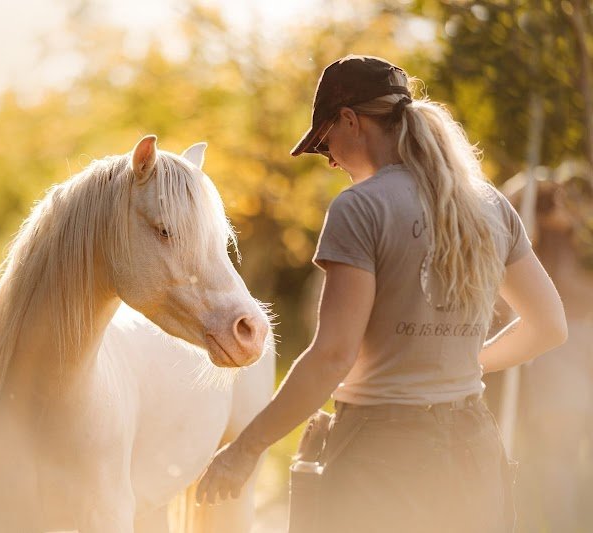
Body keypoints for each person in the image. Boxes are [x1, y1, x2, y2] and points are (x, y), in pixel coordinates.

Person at [195, 55, 568, 532]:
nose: (329, 158)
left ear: (351, 120)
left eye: (326, 140)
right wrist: (467, 362)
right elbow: (549, 326)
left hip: (385, 457)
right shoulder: (488, 204)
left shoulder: (361, 207)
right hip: (473, 448)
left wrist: (244, 451)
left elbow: (333, 356)